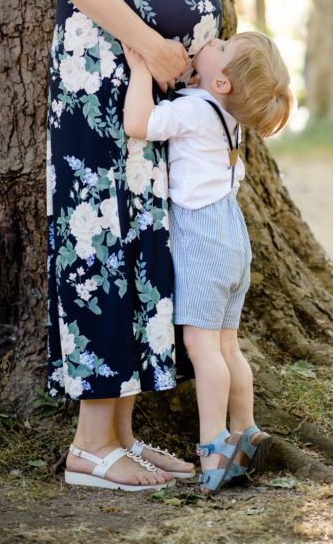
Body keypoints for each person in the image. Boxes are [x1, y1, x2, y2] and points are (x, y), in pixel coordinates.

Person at [45, 0, 254, 491]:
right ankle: (89, 445)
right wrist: (151, 44)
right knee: (99, 247)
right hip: (99, 86)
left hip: (145, 89)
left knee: (141, 252)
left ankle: (124, 437)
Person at [123, 30, 294, 494]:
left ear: (222, 83)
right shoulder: (226, 116)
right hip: (232, 238)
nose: (213, 40)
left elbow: (138, 123)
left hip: (202, 240)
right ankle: (246, 428)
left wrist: (140, 69)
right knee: (228, 348)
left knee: (204, 353)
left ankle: (213, 444)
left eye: (222, 47)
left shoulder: (196, 110)